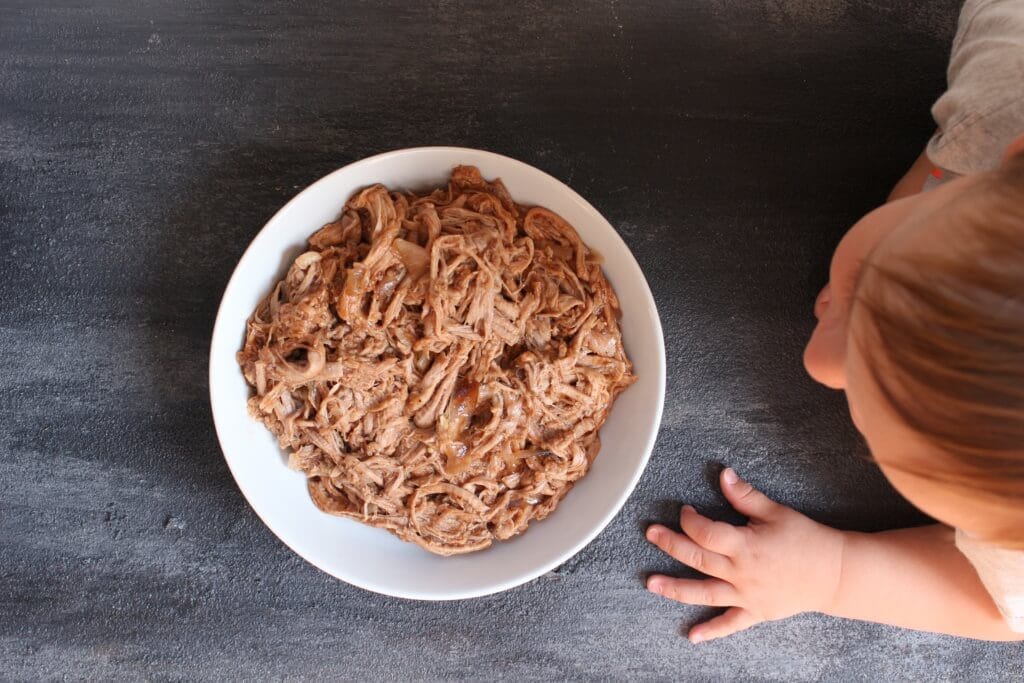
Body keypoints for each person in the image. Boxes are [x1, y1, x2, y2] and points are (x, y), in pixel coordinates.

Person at [646, 0, 1024, 642]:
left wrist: (833, 574)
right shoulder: (1006, 66)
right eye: (866, 279)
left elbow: (1002, 606)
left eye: (874, 429)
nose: (817, 365)